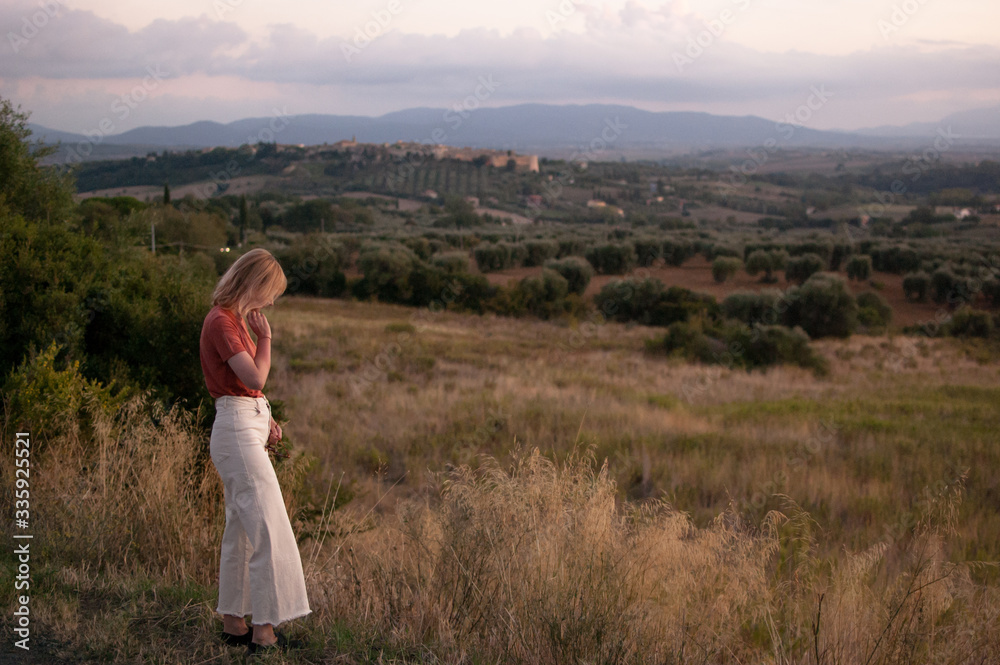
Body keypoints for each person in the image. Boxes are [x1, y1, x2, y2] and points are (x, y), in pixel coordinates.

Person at [199, 248, 310, 655]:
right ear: (254, 283)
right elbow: (255, 374)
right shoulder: (223, 321)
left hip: (242, 429)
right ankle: (264, 632)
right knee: (269, 528)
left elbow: (247, 387)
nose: (271, 302)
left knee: (243, 530)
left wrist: (267, 417)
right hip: (237, 435)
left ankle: (234, 622)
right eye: (270, 292)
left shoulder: (231, 320)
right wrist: (266, 339)